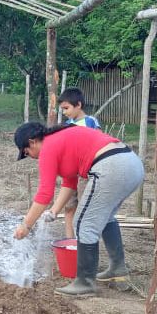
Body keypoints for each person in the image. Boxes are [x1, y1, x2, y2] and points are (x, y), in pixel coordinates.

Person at [12, 122, 142, 296]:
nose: (31, 156)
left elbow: (44, 194)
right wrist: (54, 211)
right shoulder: (59, 141)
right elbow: (69, 182)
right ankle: (117, 270)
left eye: (27, 152)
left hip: (111, 165)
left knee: (83, 222)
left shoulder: (48, 147)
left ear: (32, 141)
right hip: (131, 163)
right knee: (106, 217)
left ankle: (85, 282)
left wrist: (26, 226)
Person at [58, 87, 101, 239]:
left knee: (84, 207)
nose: (64, 112)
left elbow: (97, 143)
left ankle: (83, 240)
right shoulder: (66, 125)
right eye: (62, 109)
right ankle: (70, 242)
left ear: (78, 105)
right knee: (69, 207)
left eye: (66, 108)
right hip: (71, 173)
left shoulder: (90, 122)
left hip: (86, 173)